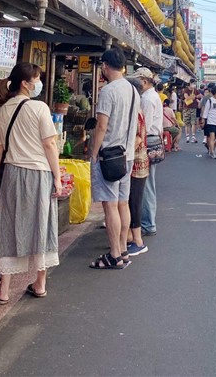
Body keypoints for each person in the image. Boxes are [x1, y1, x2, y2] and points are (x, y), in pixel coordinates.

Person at [0, 63, 61, 302]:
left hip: (11, 173)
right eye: (36, 79)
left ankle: (4, 290)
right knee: (42, 225)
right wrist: (58, 177)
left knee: (9, 226)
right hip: (39, 173)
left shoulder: (1, 111)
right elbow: (49, 144)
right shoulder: (40, 108)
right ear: (25, 83)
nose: (38, 83)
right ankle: (39, 284)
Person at [87, 48, 139, 270]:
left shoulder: (108, 91)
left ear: (105, 66)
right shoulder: (133, 90)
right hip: (127, 155)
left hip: (109, 156)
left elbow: (101, 125)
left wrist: (93, 152)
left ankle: (115, 255)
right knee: (122, 203)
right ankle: (124, 250)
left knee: (109, 206)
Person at [133, 68, 163, 238]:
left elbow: (144, 125)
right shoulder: (151, 96)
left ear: (144, 81)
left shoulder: (147, 98)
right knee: (147, 182)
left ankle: (147, 223)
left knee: (146, 184)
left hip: (148, 140)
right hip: (152, 140)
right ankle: (147, 222)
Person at [126, 78, 149, 258]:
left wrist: (125, 154)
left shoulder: (136, 112)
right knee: (131, 200)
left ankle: (138, 241)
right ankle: (128, 237)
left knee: (134, 201)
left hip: (136, 164)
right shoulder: (136, 110)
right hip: (138, 163)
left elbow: (138, 138)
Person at [201, 84, 216, 159]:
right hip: (211, 121)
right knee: (211, 137)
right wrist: (203, 120)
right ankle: (212, 152)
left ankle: (212, 148)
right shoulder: (210, 100)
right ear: (215, 92)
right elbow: (206, 111)